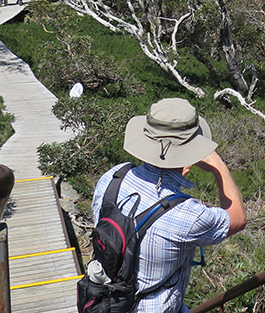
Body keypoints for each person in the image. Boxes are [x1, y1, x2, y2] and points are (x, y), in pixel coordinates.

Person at [91, 98, 246, 313]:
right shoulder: (187, 215)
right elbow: (237, 218)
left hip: (106, 302)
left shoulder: (113, 177)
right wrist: (219, 167)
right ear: (190, 155)